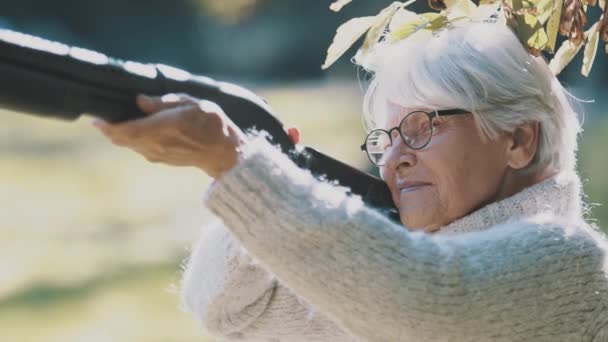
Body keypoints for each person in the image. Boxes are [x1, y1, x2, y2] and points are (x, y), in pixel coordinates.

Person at [94, 22, 608, 341]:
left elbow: (428, 301)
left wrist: (238, 164)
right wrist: (274, 174)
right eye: (386, 137)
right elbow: (223, 308)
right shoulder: (380, 275)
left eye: (423, 126)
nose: (395, 159)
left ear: (517, 140)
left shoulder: (570, 261)